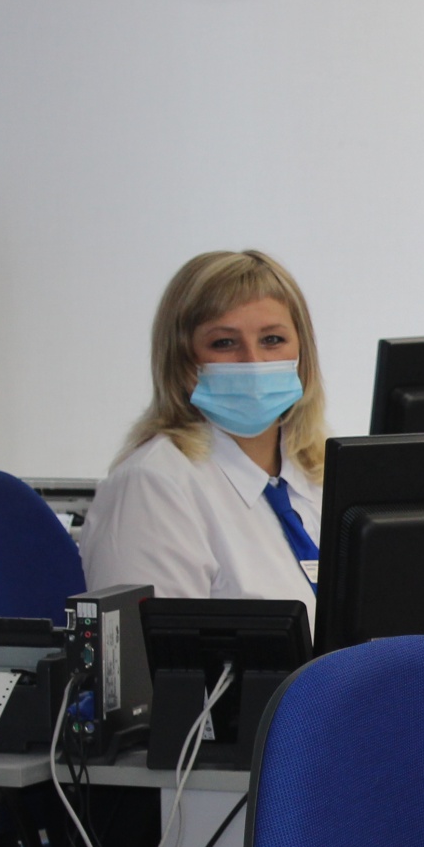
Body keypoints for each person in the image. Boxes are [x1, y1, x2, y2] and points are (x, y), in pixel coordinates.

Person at [80, 250, 329, 620]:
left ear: (302, 353)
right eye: (224, 343)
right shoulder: (153, 486)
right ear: (183, 361)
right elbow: (154, 651)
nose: (253, 362)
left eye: (272, 339)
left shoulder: (321, 473)